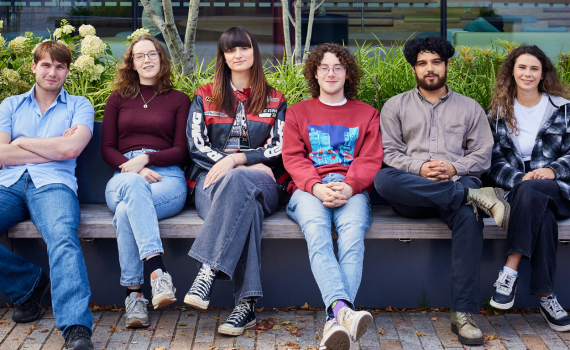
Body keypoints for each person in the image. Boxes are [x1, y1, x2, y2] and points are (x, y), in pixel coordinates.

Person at [374, 36, 509, 346]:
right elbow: (389, 153)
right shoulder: (396, 106)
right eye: (422, 63)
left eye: (436, 62)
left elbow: (482, 155)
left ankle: (463, 314)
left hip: (456, 184)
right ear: (413, 68)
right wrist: (420, 168)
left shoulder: (469, 108)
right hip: (414, 194)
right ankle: (475, 197)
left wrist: (453, 168)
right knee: (384, 180)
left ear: (447, 65)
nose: (429, 69)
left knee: (467, 215)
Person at [183, 26, 288, 336]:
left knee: (243, 179)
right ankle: (246, 305)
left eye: (244, 48)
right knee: (247, 208)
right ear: (223, 57)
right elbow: (196, 144)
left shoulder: (274, 99)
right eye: (231, 50)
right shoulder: (205, 95)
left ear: (254, 52)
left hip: (263, 182)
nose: (238, 54)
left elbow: (280, 146)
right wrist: (229, 165)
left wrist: (239, 159)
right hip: (211, 183)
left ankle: (208, 268)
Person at [283, 43, 382, 350]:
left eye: (338, 67)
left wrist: (350, 187)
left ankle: (334, 318)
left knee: (352, 235)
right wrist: (316, 186)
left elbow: (370, 159)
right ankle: (343, 312)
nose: (331, 73)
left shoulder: (367, 114)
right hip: (309, 188)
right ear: (315, 72)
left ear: (348, 73)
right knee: (317, 232)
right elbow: (293, 158)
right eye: (324, 67)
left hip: (351, 188)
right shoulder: (299, 112)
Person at [0, 41, 94, 350]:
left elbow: (71, 149)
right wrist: (51, 147)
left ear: (67, 71)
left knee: (62, 239)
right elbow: (0, 155)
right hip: (8, 184)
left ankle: (77, 329)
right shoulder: (10, 105)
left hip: (54, 185)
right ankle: (28, 284)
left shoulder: (80, 105)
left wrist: (23, 142)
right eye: (46, 65)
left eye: (60, 66)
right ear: (34, 67)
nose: (52, 72)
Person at [100, 35, 190, 328]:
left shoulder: (178, 100)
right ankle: (157, 271)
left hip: (167, 177)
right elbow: (107, 149)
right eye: (139, 56)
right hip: (124, 176)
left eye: (152, 54)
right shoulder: (117, 99)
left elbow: (180, 150)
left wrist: (147, 158)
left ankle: (135, 295)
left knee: (126, 211)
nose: (147, 60)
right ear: (132, 63)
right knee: (133, 191)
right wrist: (134, 168)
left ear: (161, 59)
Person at [486, 45, 570, 331]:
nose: (528, 73)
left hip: (558, 189)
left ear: (543, 73)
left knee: (535, 193)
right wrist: (518, 179)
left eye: (534, 68)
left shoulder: (564, 109)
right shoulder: (498, 113)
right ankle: (547, 297)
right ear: (512, 72)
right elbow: (492, 161)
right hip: (520, 192)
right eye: (522, 67)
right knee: (539, 212)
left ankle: (509, 270)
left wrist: (552, 170)